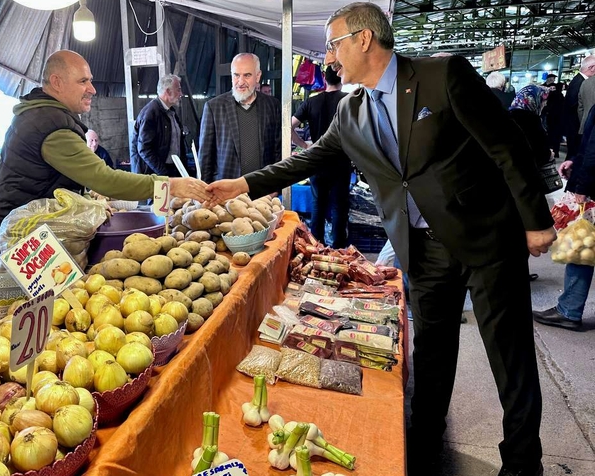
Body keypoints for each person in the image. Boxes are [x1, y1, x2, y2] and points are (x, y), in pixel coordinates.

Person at [206, 4, 555, 476]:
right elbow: (303, 163)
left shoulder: (442, 75)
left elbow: (506, 144)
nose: (329, 57)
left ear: (364, 39)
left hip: (486, 239)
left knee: (509, 358)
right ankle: (425, 443)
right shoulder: (351, 111)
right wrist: (242, 185)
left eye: (333, 44)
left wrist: (535, 220)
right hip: (423, 249)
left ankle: (521, 462)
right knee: (432, 352)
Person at [0, 50, 210, 272]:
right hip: (17, 239)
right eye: (83, 81)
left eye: (90, 81)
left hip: (23, 231)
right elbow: (104, 178)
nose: (92, 89)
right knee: (25, 309)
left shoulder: (43, 116)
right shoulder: (50, 125)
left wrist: (89, 200)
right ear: (57, 82)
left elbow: (58, 181)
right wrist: (167, 185)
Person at [533, 104, 595, 331]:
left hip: (592, 188)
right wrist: (575, 161)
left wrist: (582, 184)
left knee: (581, 248)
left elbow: (594, 148)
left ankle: (569, 309)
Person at [291, 65, 351, 247]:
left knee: (318, 205)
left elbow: (289, 126)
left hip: (317, 162)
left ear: (324, 78)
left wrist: (304, 145)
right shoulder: (349, 101)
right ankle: (339, 249)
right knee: (339, 207)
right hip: (341, 162)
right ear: (341, 76)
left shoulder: (311, 102)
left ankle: (316, 246)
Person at [199, 53, 281, 183]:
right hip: (225, 191)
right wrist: (206, 190)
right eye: (236, 75)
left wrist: (276, 187)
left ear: (258, 76)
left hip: (262, 191)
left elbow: (278, 151)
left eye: (247, 75)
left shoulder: (272, 105)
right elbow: (205, 156)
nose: (240, 82)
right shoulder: (214, 107)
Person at [130, 74, 189, 177]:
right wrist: (164, 173)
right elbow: (144, 149)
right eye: (178, 90)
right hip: (155, 175)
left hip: (171, 170)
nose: (181, 94)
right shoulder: (150, 113)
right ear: (168, 91)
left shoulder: (171, 112)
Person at [563, 55, 595, 161]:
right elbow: (574, 106)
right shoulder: (580, 82)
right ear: (592, 67)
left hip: (580, 127)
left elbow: (580, 108)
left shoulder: (580, 81)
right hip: (578, 127)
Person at [542, 74, 564, 157]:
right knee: (550, 133)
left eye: (553, 78)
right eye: (550, 78)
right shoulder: (543, 88)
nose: (552, 80)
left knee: (554, 133)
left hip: (555, 115)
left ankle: (555, 151)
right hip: (548, 114)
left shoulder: (557, 90)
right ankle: (551, 150)